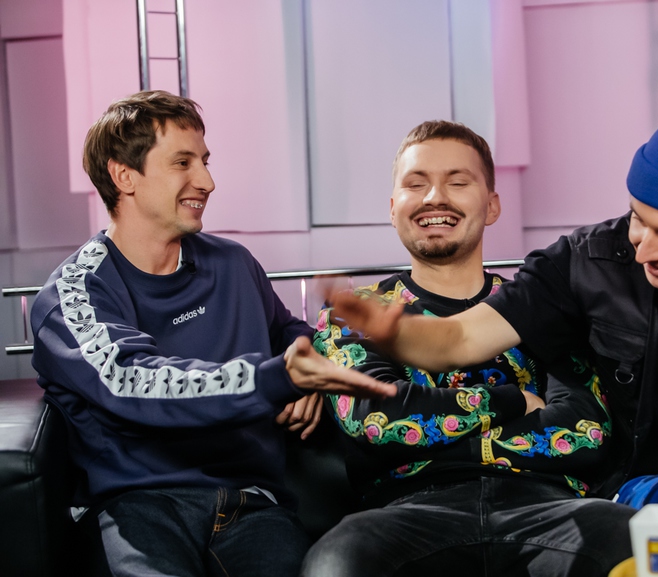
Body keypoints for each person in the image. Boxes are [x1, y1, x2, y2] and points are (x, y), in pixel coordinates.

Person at [332, 109, 658, 530]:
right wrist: (394, 331)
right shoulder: (584, 263)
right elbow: (458, 339)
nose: (644, 250)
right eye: (638, 220)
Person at [29, 90, 395, 577]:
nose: (207, 181)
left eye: (204, 161)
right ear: (124, 176)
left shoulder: (234, 264)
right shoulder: (73, 293)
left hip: (253, 504)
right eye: (183, 162)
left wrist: (310, 362)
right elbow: (135, 381)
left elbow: (291, 334)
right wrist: (278, 379)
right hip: (136, 507)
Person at [301, 120, 635, 577]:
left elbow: (585, 430)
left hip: (549, 508)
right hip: (405, 512)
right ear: (394, 208)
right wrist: (516, 401)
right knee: (334, 562)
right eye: (415, 184)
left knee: (635, 538)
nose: (434, 197)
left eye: (457, 182)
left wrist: (434, 429)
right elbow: (379, 422)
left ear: (492, 205)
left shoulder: (542, 304)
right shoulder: (356, 312)